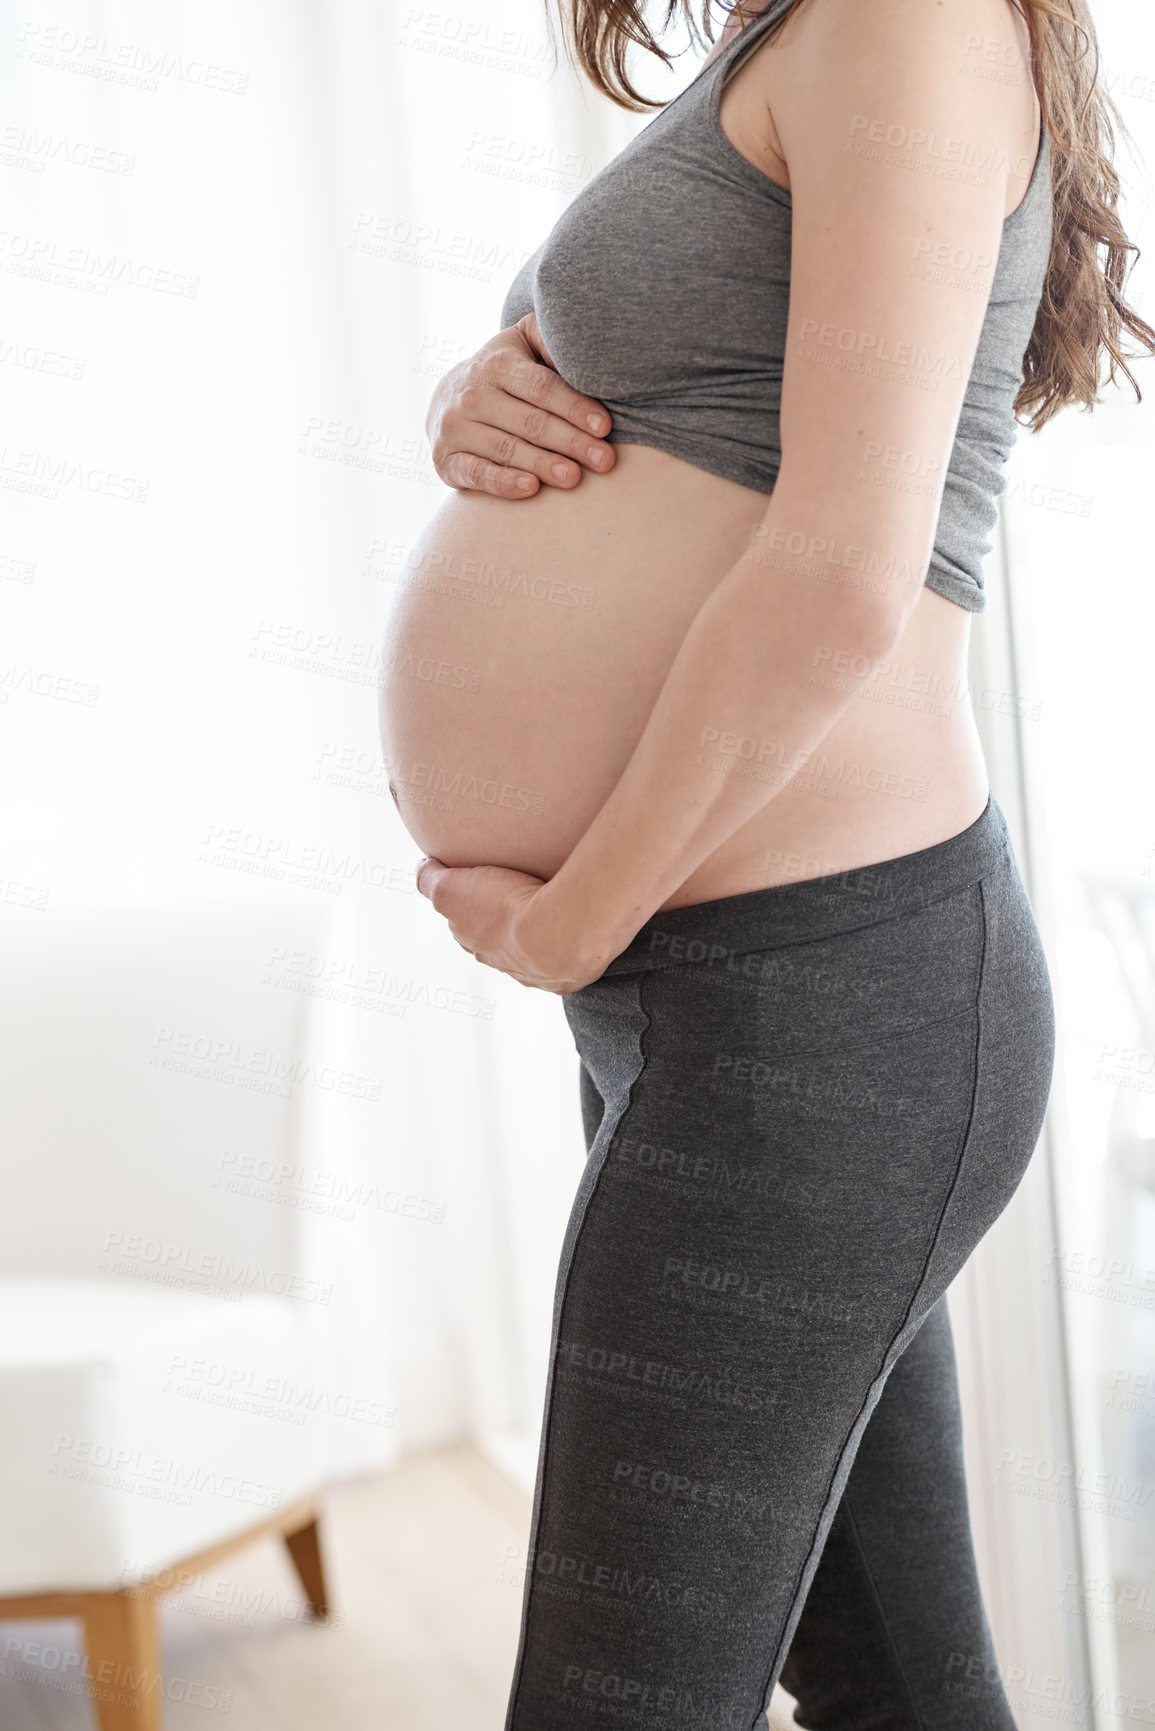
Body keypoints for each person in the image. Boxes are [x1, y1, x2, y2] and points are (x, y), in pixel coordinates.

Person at [380, 0, 1155, 1724]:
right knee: (904, 1690)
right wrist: (479, 386)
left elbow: (838, 577)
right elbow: (683, 393)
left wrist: (580, 916)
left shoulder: (912, 17)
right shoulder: (808, 29)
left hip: (823, 1012)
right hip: (731, 987)